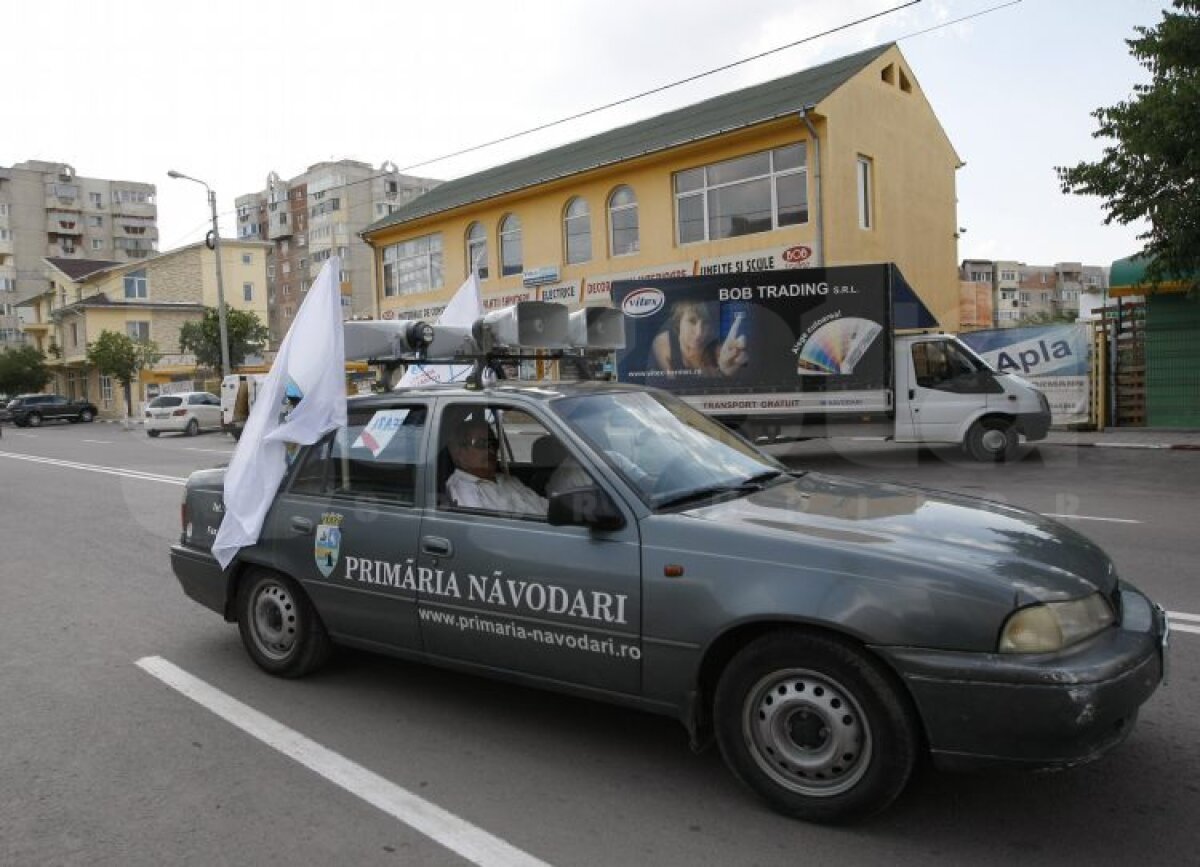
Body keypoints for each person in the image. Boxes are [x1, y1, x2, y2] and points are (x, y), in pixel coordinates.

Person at [445, 417, 547, 515]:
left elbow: (545, 506)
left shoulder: (508, 480)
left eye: (493, 443)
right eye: (481, 444)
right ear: (459, 453)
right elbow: (482, 530)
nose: (491, 450)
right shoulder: (462, 489)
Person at [651, 300, 747, 376]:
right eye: (692, 321)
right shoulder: (664, 343)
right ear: (678, 322)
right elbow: (671, 386)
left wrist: (725, 371)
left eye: (705, 323)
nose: (699, 332)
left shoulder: (716, 349)